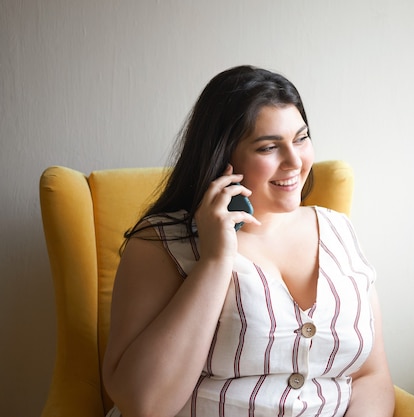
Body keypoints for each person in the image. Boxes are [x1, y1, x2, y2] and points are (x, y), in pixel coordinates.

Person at [102, 65, 395, 417]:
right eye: (269, 147)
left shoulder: (339, 231)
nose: (294, 162)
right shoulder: (159, 244)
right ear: (223, 157)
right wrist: (214, 261)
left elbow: (369, 375)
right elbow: (143, 404)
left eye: (301, 139)